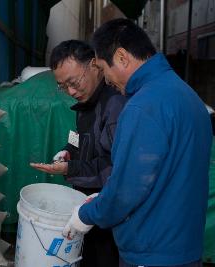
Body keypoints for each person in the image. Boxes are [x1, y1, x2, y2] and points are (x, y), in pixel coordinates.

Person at [62, 18, 212, 267]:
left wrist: (86, 215)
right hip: (184, 248)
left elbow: (127, 190)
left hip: (151, 251)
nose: (106, 79)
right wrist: (105, 195)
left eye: (103, 68)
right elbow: (166, 173)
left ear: (121, 57)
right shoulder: (189, 97)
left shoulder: (143, 106)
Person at [30, 40, 127, 267]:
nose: (71, 92)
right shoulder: (85, 106)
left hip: (109, 216)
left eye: (74, 82)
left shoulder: (114, 106)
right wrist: (67, 152)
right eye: (63, 86)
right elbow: (79, 139)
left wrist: (70, 169)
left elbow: (116, 169)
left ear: (94, 65)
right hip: (87, 212)